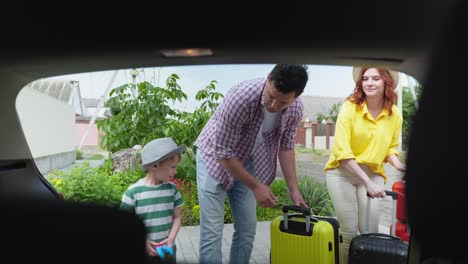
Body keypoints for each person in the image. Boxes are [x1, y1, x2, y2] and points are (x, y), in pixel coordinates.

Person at [195, 64, 309, 264]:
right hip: (212, 158)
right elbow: (223, 152)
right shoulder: (241, 97)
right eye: (271, 96)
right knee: (212, 231)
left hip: (247, 161)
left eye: (282, 102)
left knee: (247, 229)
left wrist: (294, 190)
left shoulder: (296, 109)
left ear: (296, 96)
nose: (273, 105)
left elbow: (286, 147)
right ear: (267, 78)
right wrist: (256, 186)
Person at [324, 67, 406, 263]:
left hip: (372, 173)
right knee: (350, 232)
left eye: (375, 78)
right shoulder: (350, 107)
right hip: (342, 172)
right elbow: (343, 153)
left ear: (386, 82)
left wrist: (401, 165)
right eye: (365, 79)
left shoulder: (394, 114)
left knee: (371, 232)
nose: (369, 83)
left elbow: (390, 149)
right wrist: (368, 183)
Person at [120, 137, 186, 264]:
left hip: (167, 249)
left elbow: (177, 217)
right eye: (172, 167)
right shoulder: (133, 193)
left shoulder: (172, 190)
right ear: (154, 165)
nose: (176, 171)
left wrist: (171, 238)